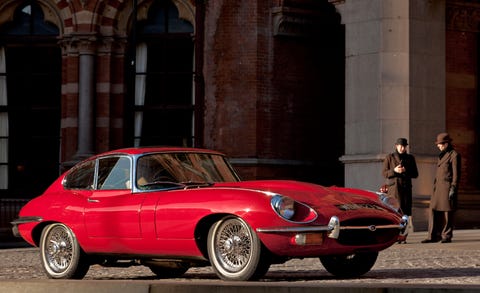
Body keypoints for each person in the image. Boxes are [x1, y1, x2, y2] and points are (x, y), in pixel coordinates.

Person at [422, 132, 461, 243]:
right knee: (433, 210)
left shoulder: (454, 155)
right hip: (437, 187)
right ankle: (433, 236)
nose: (438, 145)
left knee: (447, 212)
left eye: (440, 144)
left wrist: (453, 187)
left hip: (447, 187)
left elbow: (456, 173)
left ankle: (446, 236)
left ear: (446, 143)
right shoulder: (442, 155)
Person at [382, 138, 418, 243]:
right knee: (395, 212)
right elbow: (384, 173)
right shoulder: (390, 157)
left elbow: (415, 174)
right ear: (396, 146)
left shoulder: (410, 158)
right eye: (400, 146)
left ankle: (403, 236)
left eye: (404, 146)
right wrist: (394, 170)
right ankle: (395, 235)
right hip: (394, 190)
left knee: (405, 213)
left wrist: (405, 170)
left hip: (406, 189)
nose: (402, 148)